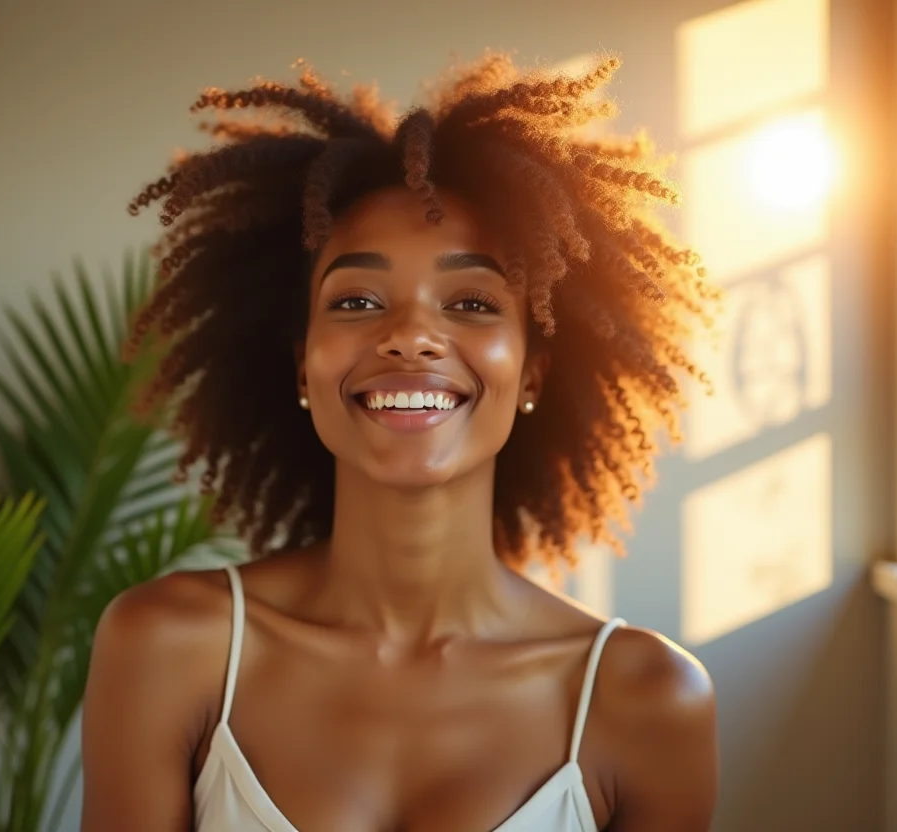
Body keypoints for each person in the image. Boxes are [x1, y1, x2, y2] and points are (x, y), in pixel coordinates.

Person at [81, 52, 719, 831]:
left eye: (472, 303)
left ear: (532, 375)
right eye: (356, 298)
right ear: (302, 369)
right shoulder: (172, 647)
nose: (412, 336)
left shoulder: (644, 698)